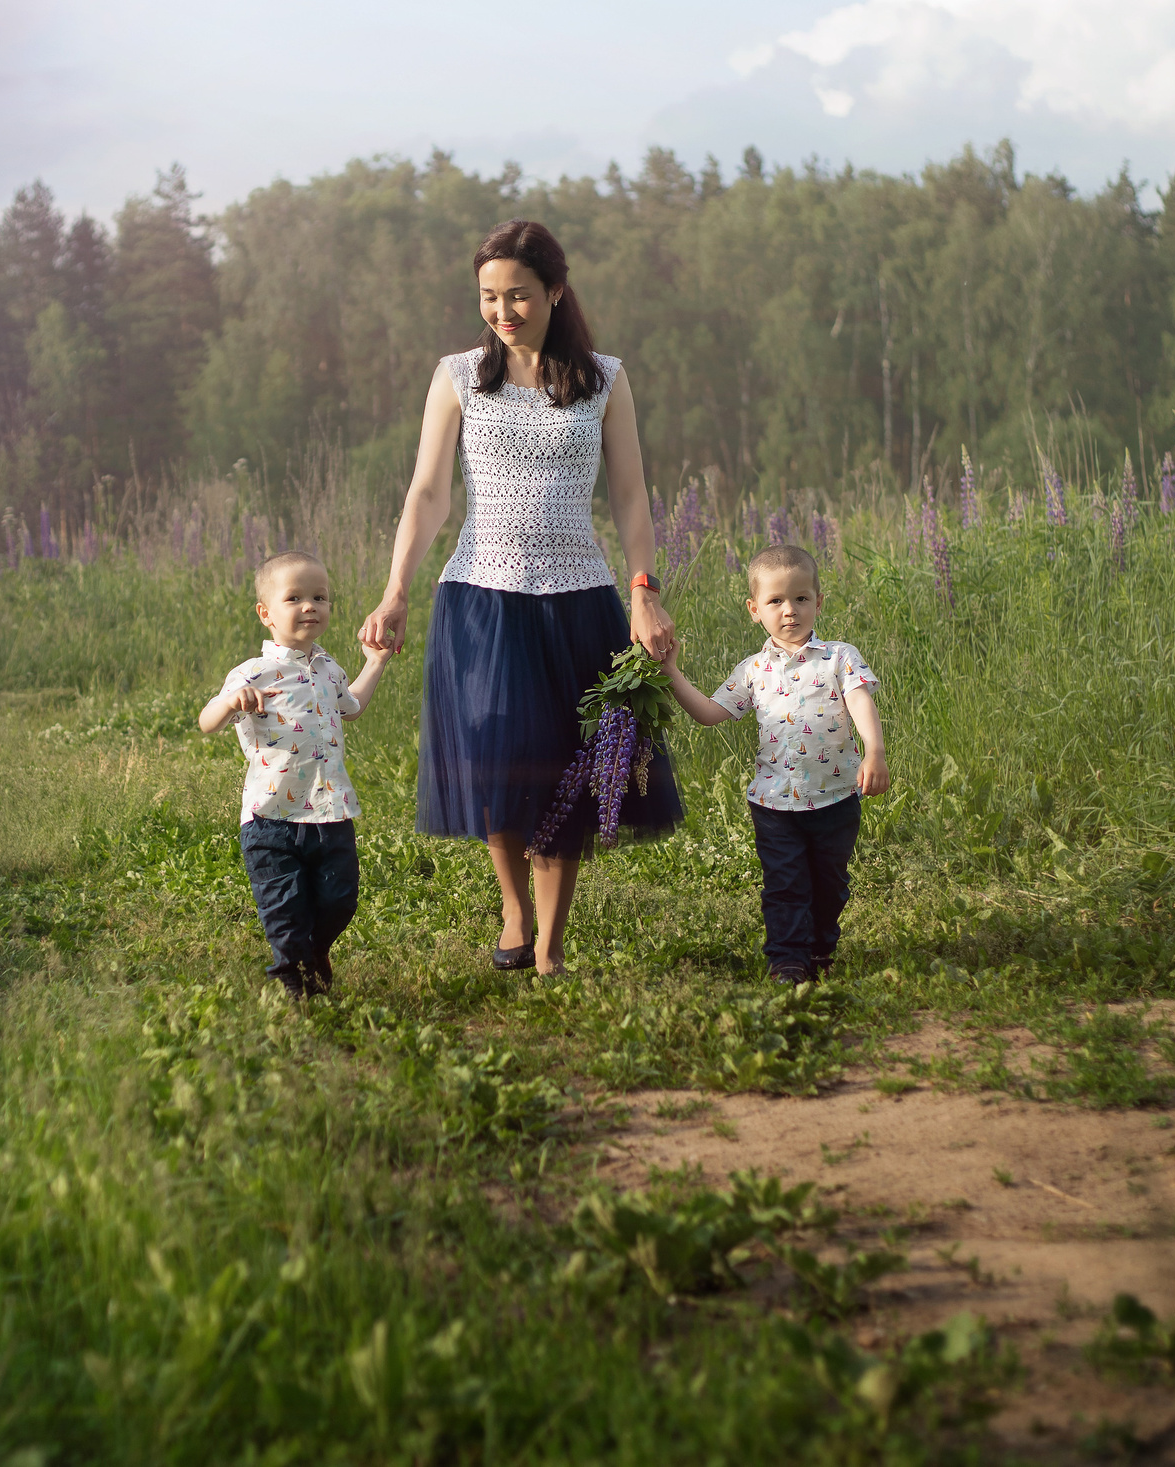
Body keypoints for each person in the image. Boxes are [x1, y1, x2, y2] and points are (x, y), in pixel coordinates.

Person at [360, 219, 680, 978]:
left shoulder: (605, 378)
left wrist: (644, 592)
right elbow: (429, 492)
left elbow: (632, 496)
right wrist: (397, 587)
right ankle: (512, 907)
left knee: (570, 767)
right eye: (488, 297)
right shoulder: (458, 376)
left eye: (518, 296)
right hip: (481, 596)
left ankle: (550, 944)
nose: (503, 311)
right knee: (496, 759)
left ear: (555, 292)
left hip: (578, 598)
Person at [660, 543, 890, 983]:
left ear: (818, 602)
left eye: (801, 598)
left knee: (830, 884)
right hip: (773, 804)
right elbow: (710, 714)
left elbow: (860, 701)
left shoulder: (839, 658)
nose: (790, 610)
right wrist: (671, 672)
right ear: (754, 609)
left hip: (837, 798)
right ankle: (787, 958)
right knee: (785, 885)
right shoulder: (753, 670)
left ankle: (821, 946)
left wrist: (874, 750)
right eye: (776, 601)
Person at [198, 549, 392, 996]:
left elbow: (353, 707)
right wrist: (230, 701)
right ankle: (294, 984)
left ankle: (314, 950)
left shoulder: (328, 668)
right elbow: (208, 721)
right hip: (272, 818)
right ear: (266, 613)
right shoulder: (253, 673)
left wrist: (375, 662)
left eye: (320, 597)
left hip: (331, 812)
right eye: (295, 598)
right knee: (285, 910)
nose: (311, 606)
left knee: (340, 900)